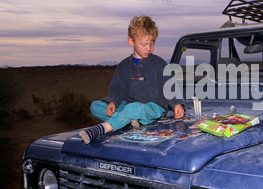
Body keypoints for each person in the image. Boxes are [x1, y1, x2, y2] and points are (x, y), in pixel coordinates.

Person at [79, 15, 184, 144]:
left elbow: (170, 85)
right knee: (95, 106)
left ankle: (101, 129)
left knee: (135, 108)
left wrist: (176, 103)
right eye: (144, 44)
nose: (149, 48)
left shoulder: (159, 63)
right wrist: (113, 102)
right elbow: (118, 88)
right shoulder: (124, 66)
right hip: (129, 105)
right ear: (131, 41)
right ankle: (130, 121)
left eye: (152, 43)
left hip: (153, 109)